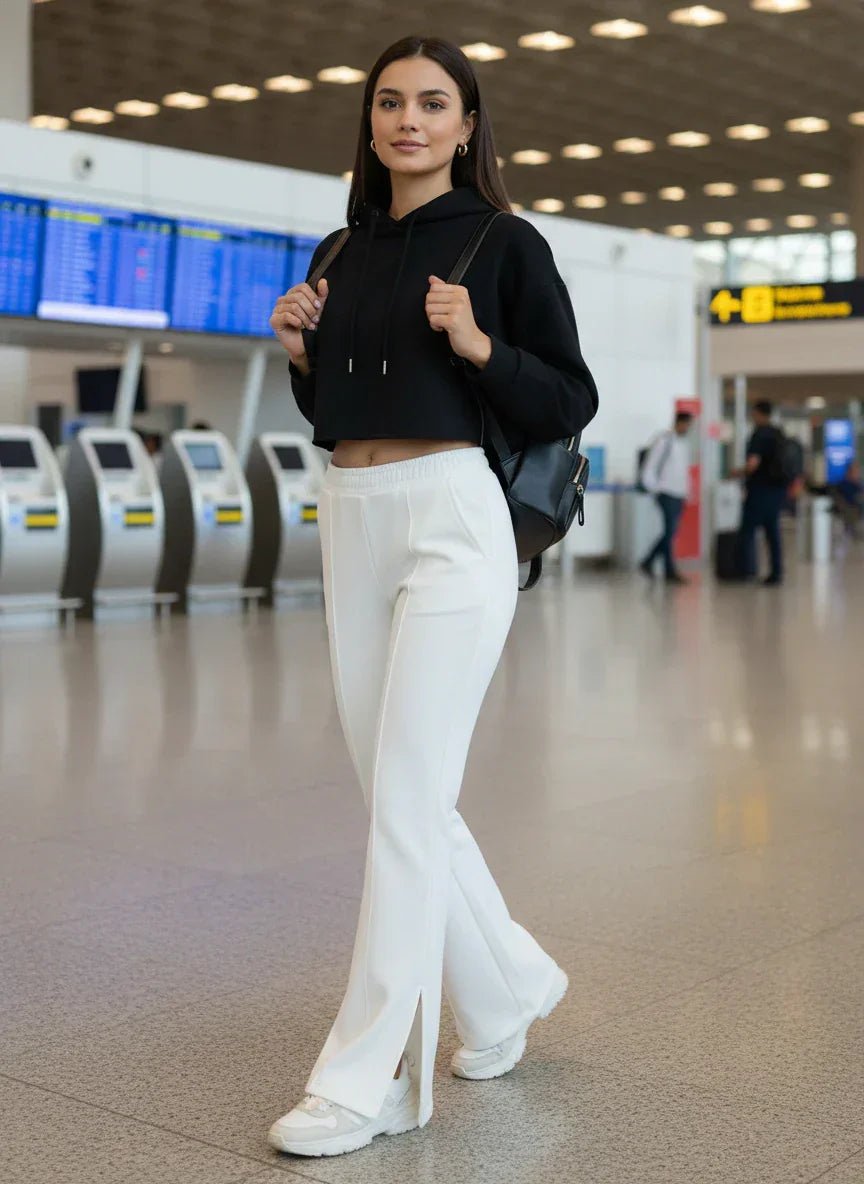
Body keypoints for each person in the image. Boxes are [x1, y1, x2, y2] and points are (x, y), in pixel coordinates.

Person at [266, 34, 598, 1159]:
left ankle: (367, 1079)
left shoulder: (505, 242)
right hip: (351, 512)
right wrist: (301, 355)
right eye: (390, 102)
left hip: (453, 517)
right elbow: (335, 410)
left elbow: (568, 396)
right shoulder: (341, 248)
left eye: (433, 103)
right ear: (370, 122)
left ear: (466, 126)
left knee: (408, 797)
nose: (409, 120)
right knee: (397, 793)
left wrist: (478, 342)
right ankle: (506, 988)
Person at [734, 401, 789, 586]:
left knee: (748, 530)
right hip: (777, 490)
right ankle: (776, 572)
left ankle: (747, 570)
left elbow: (752, 464)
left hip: (760, 489)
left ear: (758, 413)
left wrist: (737, 473)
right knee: (772, 531)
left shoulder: (759, 434)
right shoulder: (778, 433)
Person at [638, 411, 693, 585]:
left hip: (679, 493)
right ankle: (669, 570)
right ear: (679, 422)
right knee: (670, 531)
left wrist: (687, 492)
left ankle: (649, 561)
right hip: (666, 492)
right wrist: (655, 488)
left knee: (671, 532)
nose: (688, 428)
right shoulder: (664, 440)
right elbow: (650, 466)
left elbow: (682, 471)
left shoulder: (683, 443)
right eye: (686, 424)